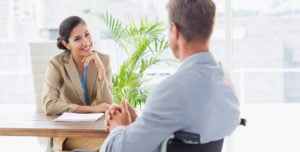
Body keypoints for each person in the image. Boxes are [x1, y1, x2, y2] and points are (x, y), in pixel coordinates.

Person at [100, 0, 240, 152]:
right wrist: (138, 123)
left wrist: (118, 127)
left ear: (175, 30)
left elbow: (119, 150)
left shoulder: (174, 89)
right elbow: (187, 135)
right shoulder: (225, 83)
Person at [41, 16, 113, 152]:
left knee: (115, 140)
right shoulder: (57, 63)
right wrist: (91, 109)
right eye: (77, 39)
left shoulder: (103, 59)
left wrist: (101, 71)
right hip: (67, 131)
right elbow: (49, 105)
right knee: (113, 144)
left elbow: (105, 104)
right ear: (66, 44)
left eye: (87, 34)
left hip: (94, 129)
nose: (86, 42)